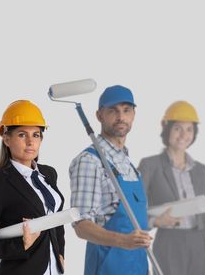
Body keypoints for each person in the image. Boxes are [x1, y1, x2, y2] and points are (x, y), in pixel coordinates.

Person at [0, 100, 65, 275]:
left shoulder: (49, 174)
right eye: (22, 135)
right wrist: (21, 245)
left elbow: (56, 221)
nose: (30, 142)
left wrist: (60, 254)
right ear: (7, 139)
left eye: (36, 135)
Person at [69, 85, 152, 275]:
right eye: (113, 110)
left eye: (126, 110)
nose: (121, 117)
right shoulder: (90, 161)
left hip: (137, 266)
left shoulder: (129, 164)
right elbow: (81, 225)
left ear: (134, 114)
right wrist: (123, 240)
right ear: (100, 116)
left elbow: (136, 222)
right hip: (108, 268)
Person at [138, 101, 205, 275]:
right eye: (177, 128)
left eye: (189, 129)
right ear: (166, 129)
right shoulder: (150, 166)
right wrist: (155, 221)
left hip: (198, 244)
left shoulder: (200, 170)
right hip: (169, 243)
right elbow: (133, 209)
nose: (183, 135)